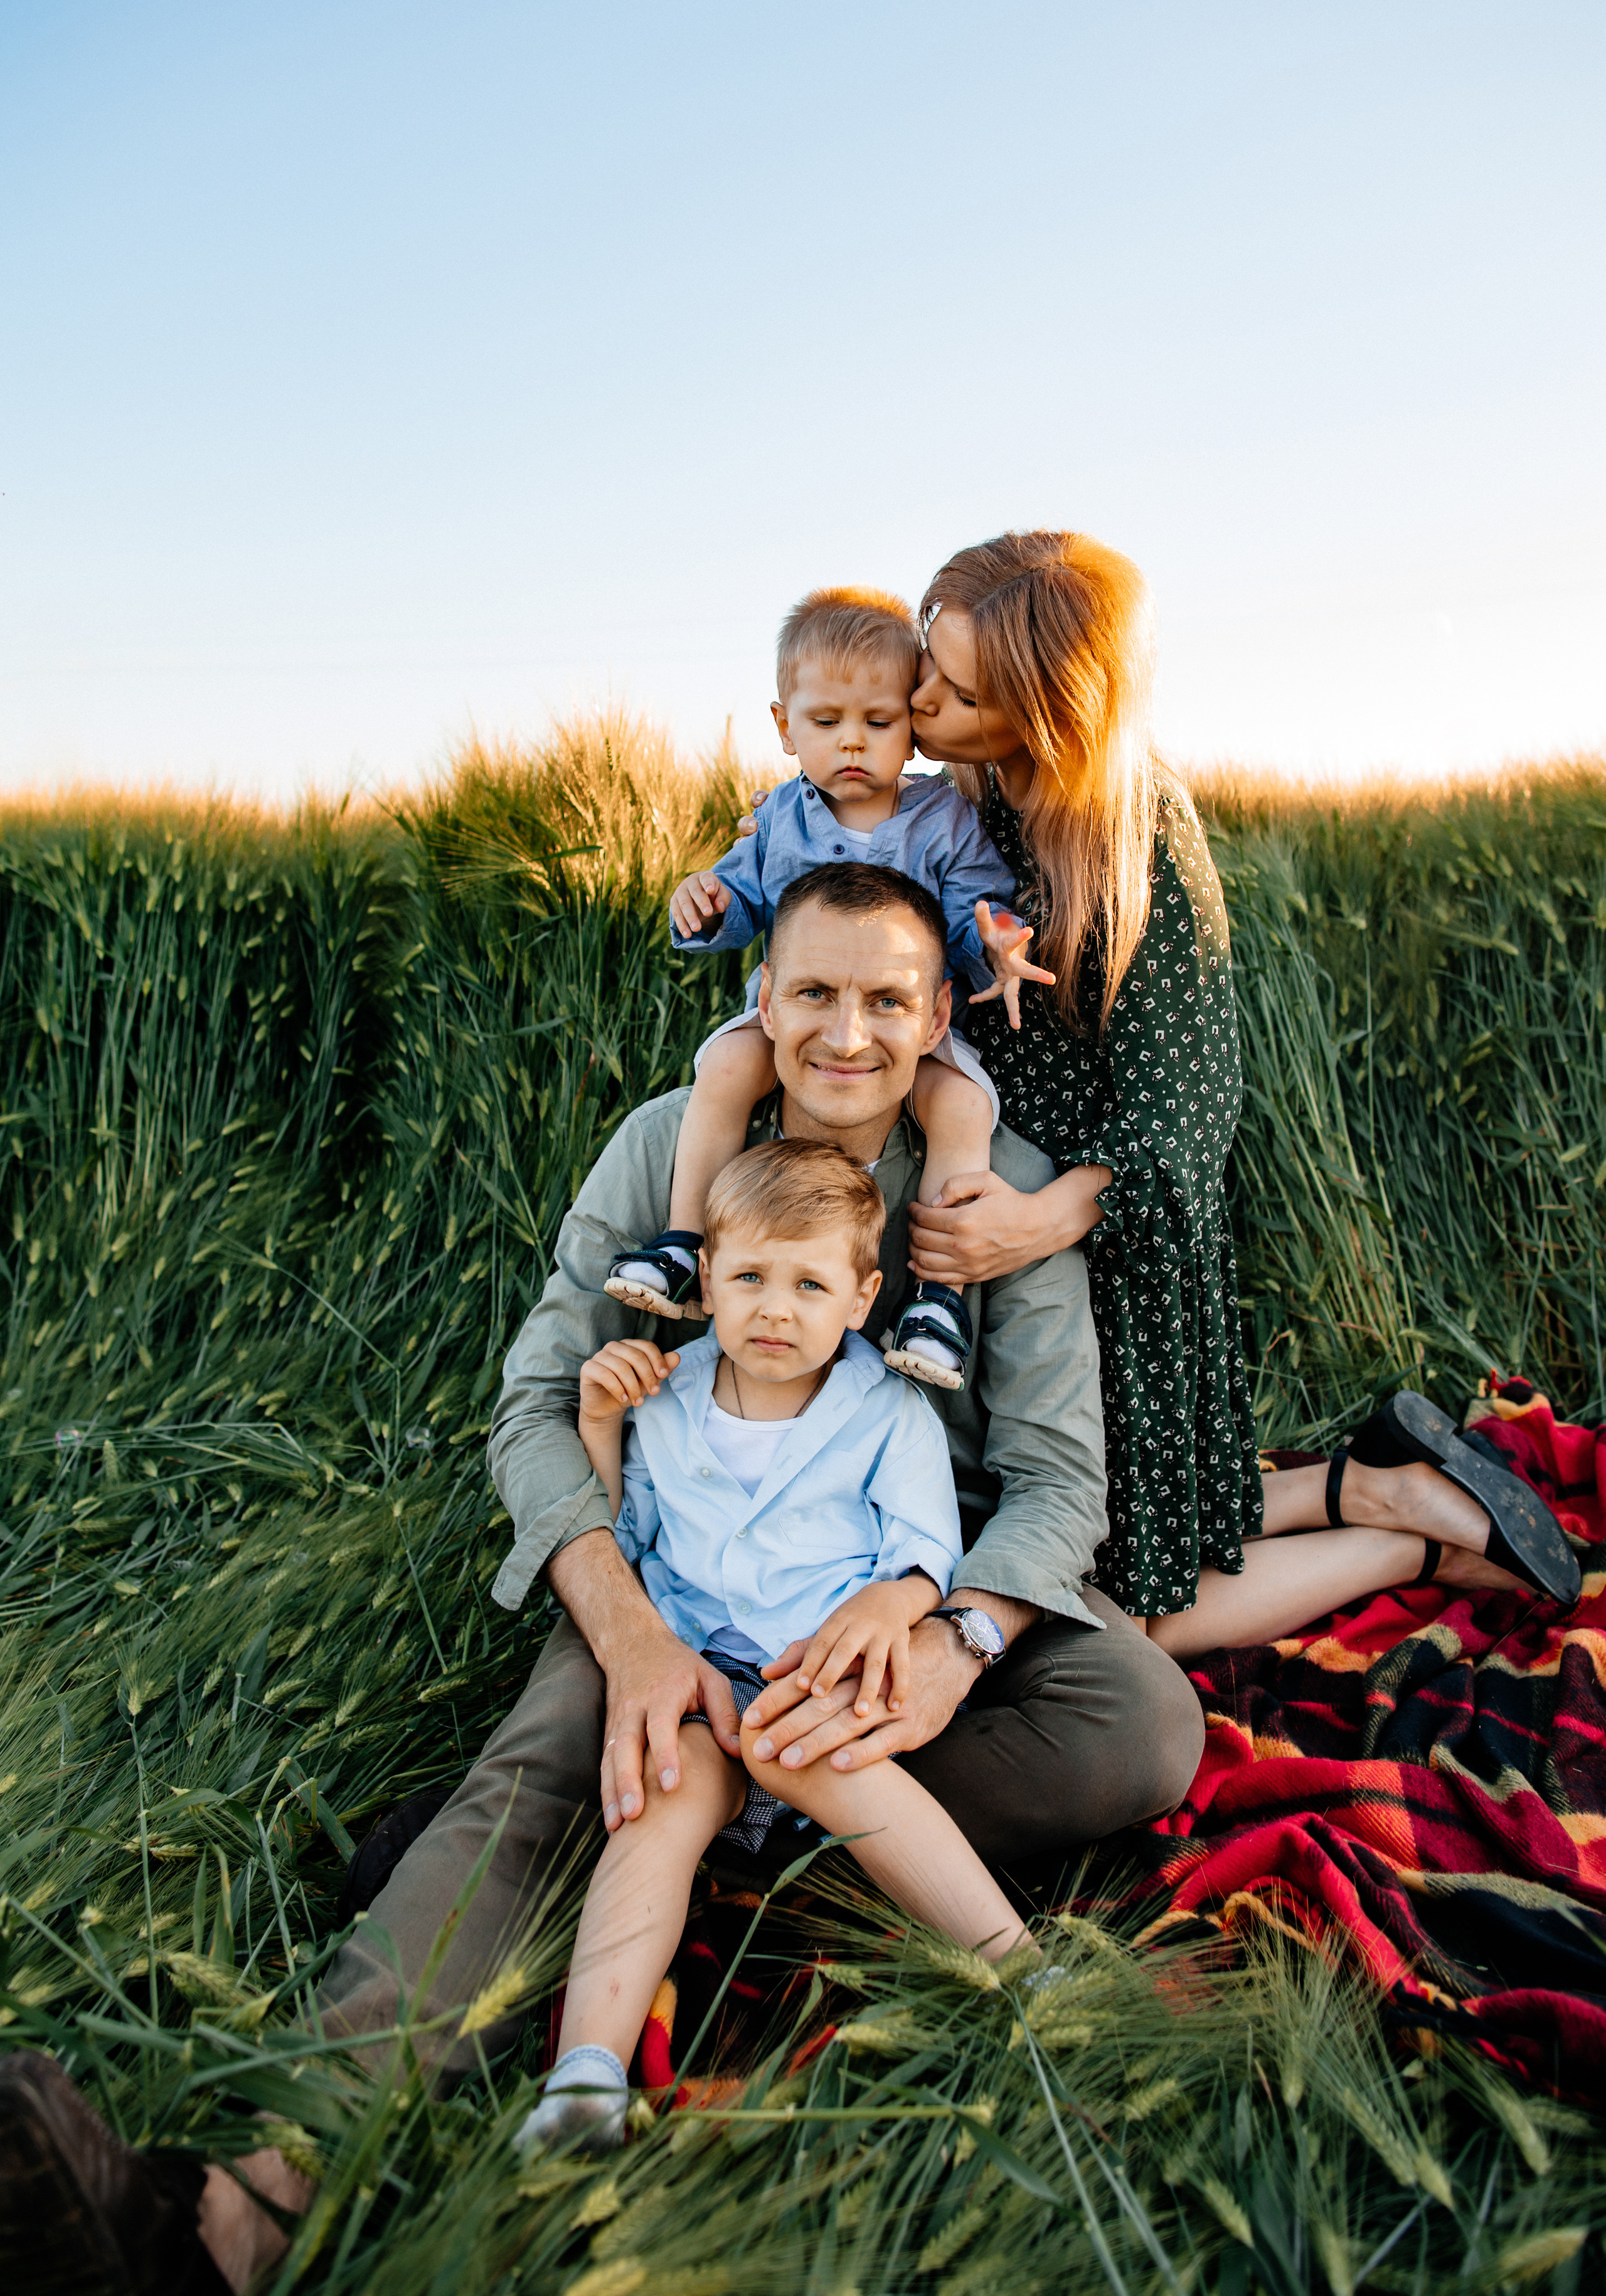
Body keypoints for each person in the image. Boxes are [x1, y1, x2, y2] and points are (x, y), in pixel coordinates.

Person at [42, 859, 1198, 2291]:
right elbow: (538, 1400)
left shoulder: (988, 1185)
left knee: (1141, 1722)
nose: (847, 1034)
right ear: (761, 1000)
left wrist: (944, 1631)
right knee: (546, 1764)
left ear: (938, 1009)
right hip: (672, 1562)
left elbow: (1055, 1473)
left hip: (896, 1574)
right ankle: (245, 2197)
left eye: (885, 1000)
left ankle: (714, 1821)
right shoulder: (673, 1145)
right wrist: (630, 1633)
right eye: (813, 994)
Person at [889, 529, 1580, 1646]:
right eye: (927, 658)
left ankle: (1401, 1528)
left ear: (1050, 712)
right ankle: (1364, 1483)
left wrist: (1039, 1222)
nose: (919, 699)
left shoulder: (1136, 833)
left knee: (1123, 1607)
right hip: (1004, 1235)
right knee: (1127, 1530)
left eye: (956, 692)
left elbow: (1189, 1103)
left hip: (1109, 1238)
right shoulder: (958, 803)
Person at [519, 1139, 1030, 2156]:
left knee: (830, 1760)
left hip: (816, 1680)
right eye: (749, 1277)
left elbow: (927, 1552)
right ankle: (586, 2075)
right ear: (705, 1280)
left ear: (862, 1295)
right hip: (702, 1679)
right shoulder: (665, 1392)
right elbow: (627, 1542)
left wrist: (896, 1604)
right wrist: (600, 1425)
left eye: (810, 1284)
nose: (776, 1309)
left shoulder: (889, 1409)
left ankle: (1022, 1972)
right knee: (663, 1800)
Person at [605, 583, 1049, 1392]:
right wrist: (705, 905)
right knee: (727, 1070)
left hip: (911, 1028)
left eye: (878, 724)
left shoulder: (942, 820)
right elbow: (740, 902)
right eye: (826, 723)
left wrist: (996, 939)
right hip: (789, 1021)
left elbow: (978, 912)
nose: (853, 743)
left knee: (960, 1108)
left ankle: (937, 1300)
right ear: (784, 726)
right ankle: (681, 1246)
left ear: (911, 730)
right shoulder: (780, 818)